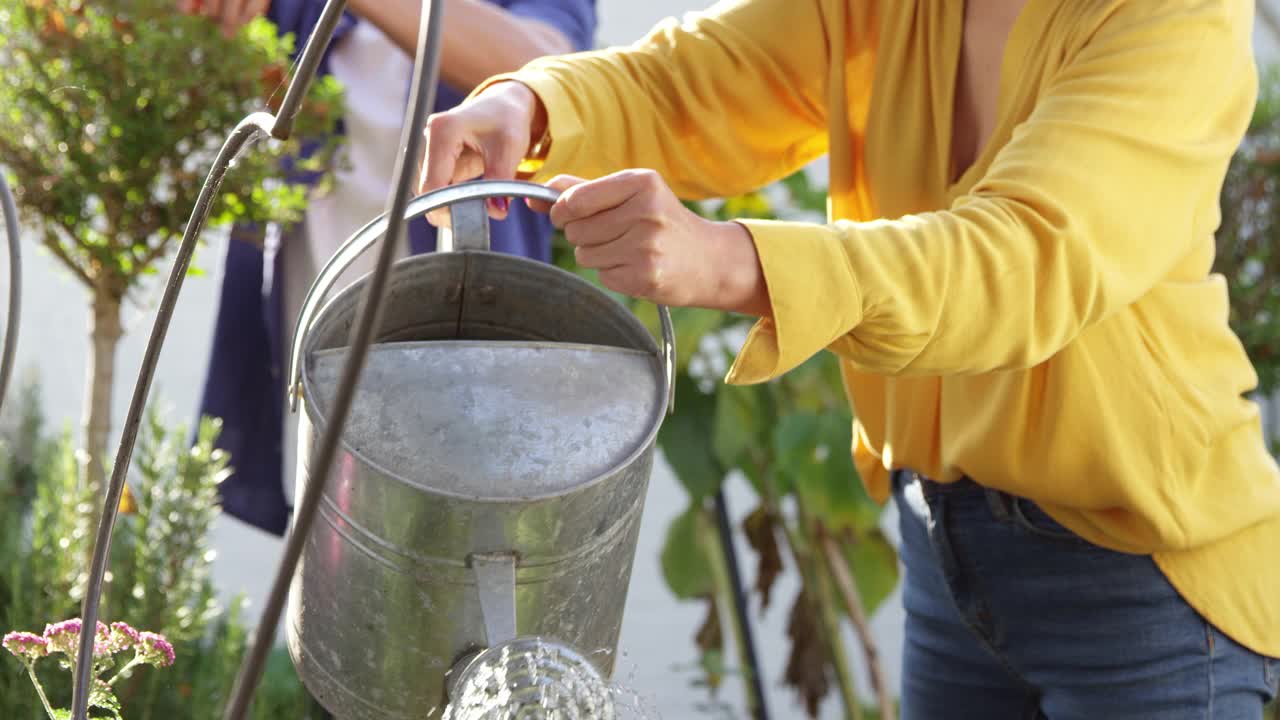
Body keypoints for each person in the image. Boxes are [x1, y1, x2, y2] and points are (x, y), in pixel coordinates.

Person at [418, 0, 1280, 717]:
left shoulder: (1179, 14)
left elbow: (1027, 258)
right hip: (946, 554)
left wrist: (730, 260)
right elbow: (700, 79)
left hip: (1141, 587)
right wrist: (531, 106)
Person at [185, 0, 597, 536]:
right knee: (326, 570)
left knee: (462, 557)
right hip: (317, 353)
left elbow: (546, 67)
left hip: (466, 365)